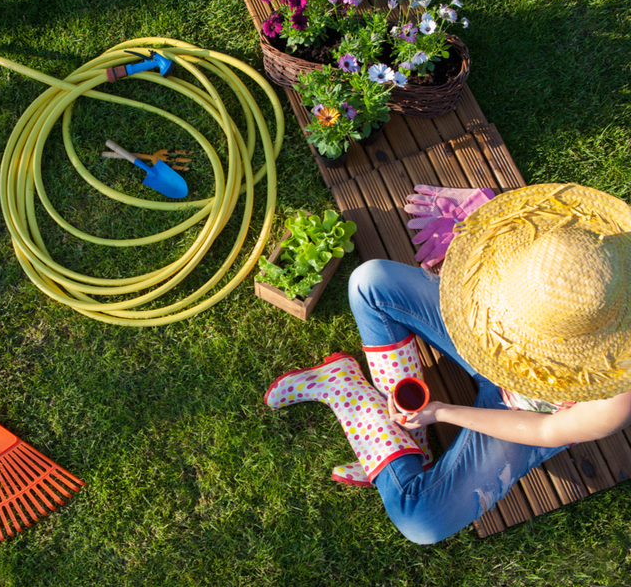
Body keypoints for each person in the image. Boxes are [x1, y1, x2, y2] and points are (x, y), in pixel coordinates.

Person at [264, 183, 631, 544]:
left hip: (525, 412)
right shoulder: (589, 255)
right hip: (485, 337)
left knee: (420, 519)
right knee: (369, 282)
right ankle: (413, 444)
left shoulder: (615, 396)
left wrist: (440, 412)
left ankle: (345, 392)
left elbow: (543, 432)